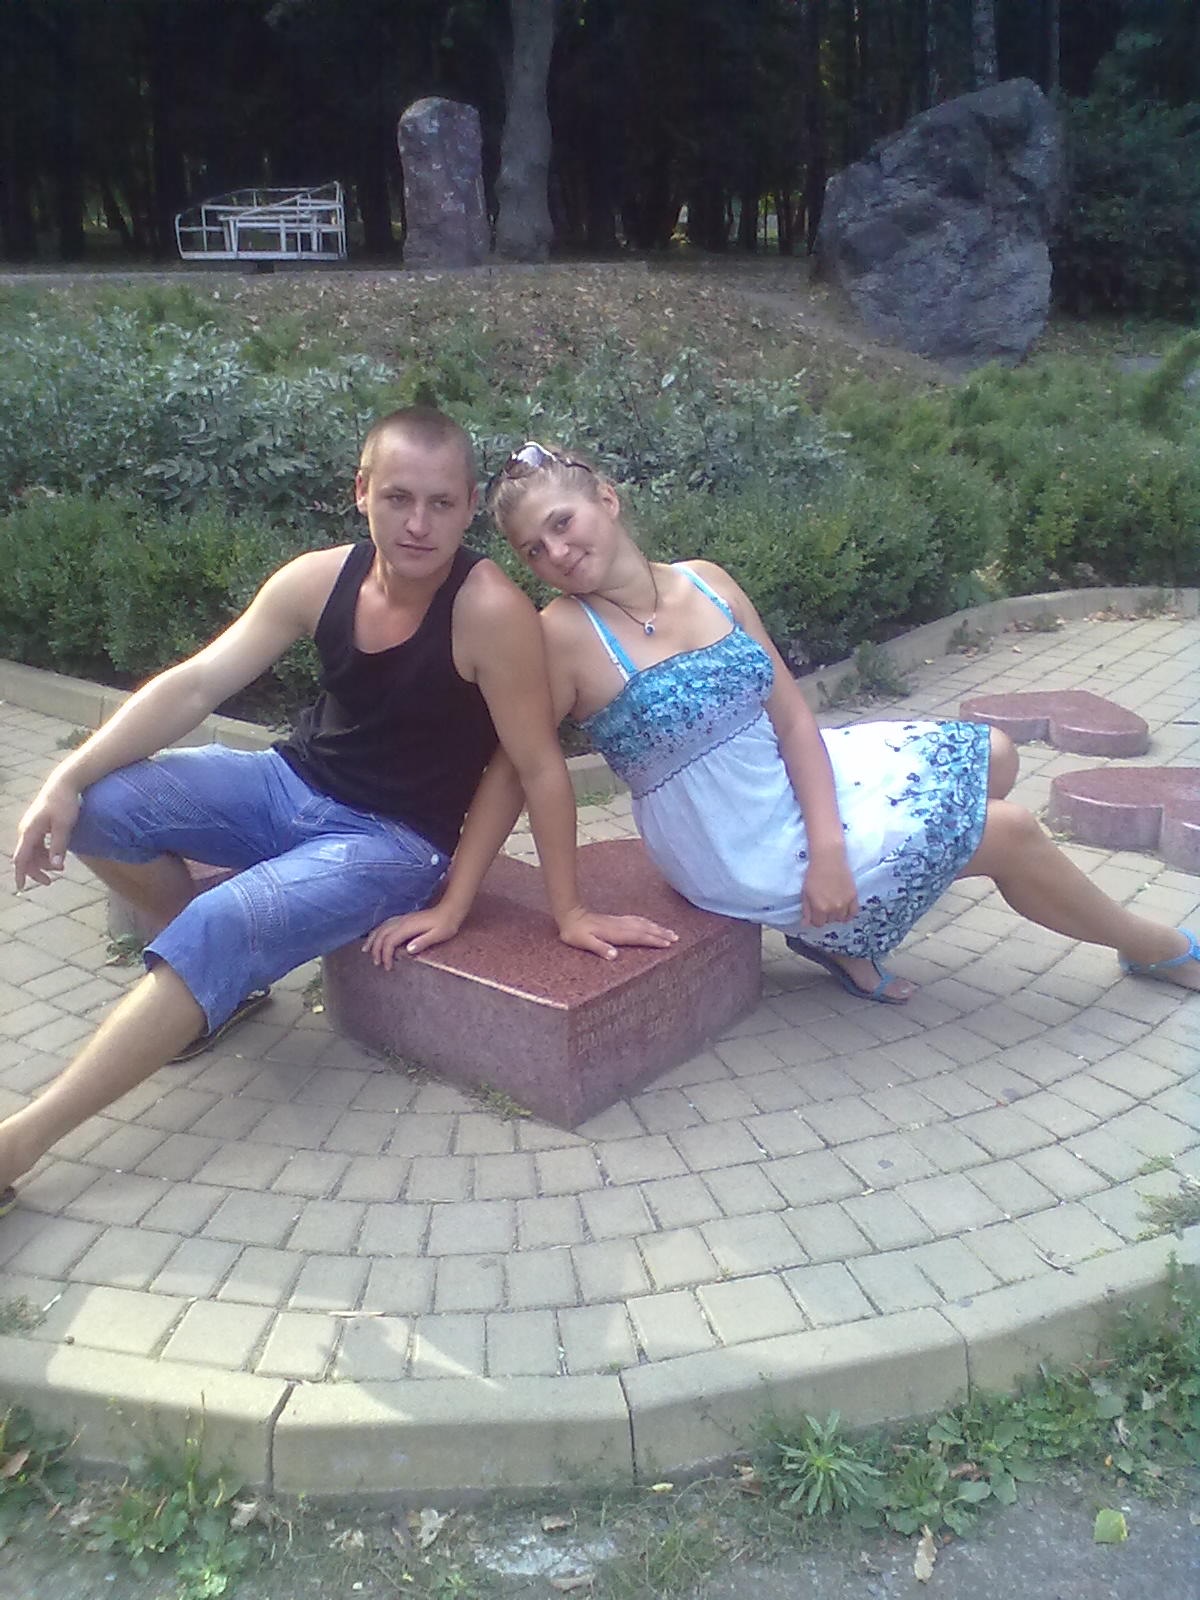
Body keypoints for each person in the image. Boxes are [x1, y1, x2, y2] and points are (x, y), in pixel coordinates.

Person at [0, 410, 674, 1218]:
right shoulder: (318, 581)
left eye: (440, 503)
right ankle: (209, 991)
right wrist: (67, 777)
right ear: (361, 491)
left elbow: (534, 765)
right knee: (103, 805)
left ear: (468, 508)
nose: (418, 524)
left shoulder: (487, 610)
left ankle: (19, 1144)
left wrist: (561, 911)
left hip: (393, 842)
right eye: (398, 498)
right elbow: (197, 683)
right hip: (287, 785)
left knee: (224, 922)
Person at [377, 438, 1198, 1004]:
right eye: (532, 549)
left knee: (998, 754)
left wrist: (832, 852)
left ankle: (847, 926)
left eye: (562, 523)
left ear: (607, 500)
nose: (555, 553)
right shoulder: (559, 636)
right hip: (729, 837)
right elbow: (515, 770)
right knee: (1008, 831)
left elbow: (794, 717)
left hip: (786, 773)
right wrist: (465, 903)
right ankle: (1154, 947)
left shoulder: (707, 581)